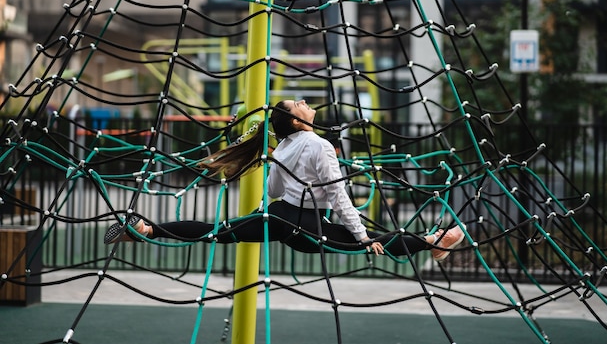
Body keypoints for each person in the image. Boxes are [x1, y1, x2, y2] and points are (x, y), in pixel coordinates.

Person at [104, 100, 465, 260]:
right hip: (303, 225)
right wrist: (361, 234)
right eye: (299, 104)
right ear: (296, 121)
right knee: (368, 242)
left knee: (217, 232)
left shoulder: (286, 147)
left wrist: (264, 212)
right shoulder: (319, 144)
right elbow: (339, 196)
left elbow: (274, 190)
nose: (306, 103)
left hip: (280, 216)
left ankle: (146, 229)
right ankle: (434, 241)